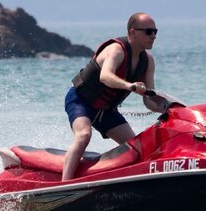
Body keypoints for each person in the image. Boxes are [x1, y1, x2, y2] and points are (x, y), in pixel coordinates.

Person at [61, 12, 160, 181]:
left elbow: (149, 100)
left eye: (155, 32)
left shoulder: (148, 61)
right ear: (133, 32)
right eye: (148, 31)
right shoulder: (116, 49)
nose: (153, 36)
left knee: (136, 148)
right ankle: (64, 185)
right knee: (84, 135)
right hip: (81, 100)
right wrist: (129, 86)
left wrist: (166, 108)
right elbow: (105, 76)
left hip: (106, 111)